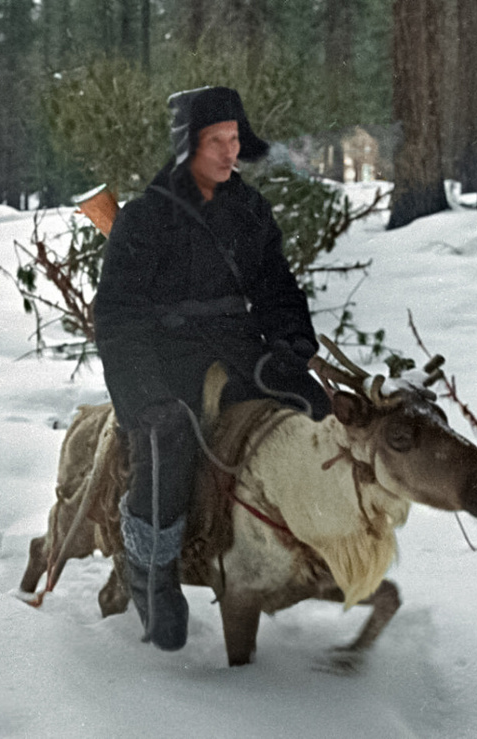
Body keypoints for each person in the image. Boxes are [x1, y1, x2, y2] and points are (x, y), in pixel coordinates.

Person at [92, 86, 331, 651]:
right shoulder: (146, 218)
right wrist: (143, 392)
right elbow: (119, 316)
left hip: (243, 347)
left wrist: (291, 340)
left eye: (234, 140)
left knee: (316, 412)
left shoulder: (249, 209)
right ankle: (152, 571)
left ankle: (313, 540)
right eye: (216, 141)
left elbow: (275, 286)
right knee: (166, 438)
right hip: (166, 354)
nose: (230, 152)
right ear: (187, 147)